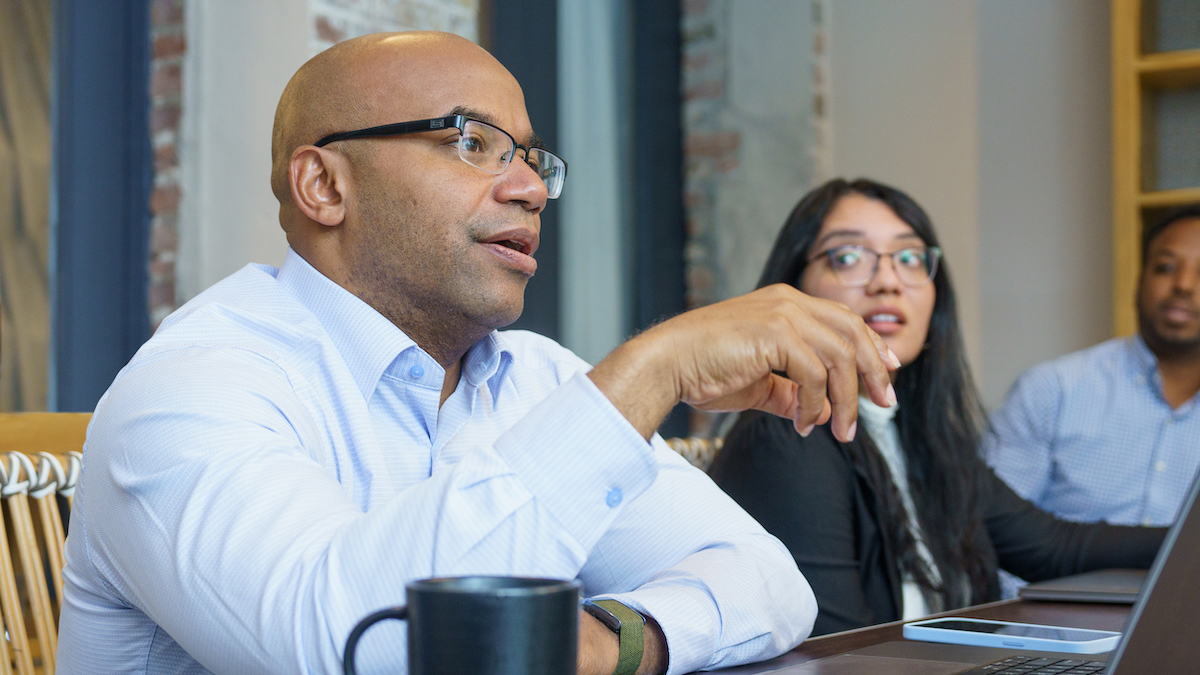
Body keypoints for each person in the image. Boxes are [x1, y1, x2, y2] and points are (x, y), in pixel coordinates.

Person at [56, 33, 903, 675]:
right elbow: (351, 643)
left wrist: (612, 641)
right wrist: (656, 369)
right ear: (325, 185)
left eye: (529, 157)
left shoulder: (530, 377)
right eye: (471, 141)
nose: (530, 186)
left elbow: (768, 582)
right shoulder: (192, 384)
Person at [708, 178, 1166, 637]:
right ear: (791, 290)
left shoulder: (917, 432)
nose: (887, 282)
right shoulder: (786, 433)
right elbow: (837, 654)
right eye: (847, 257)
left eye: (909, 258)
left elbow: (1056, 547)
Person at [986, 206, 1200, 528]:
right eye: (1165, 267)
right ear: (1139, 279)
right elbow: (991, 533)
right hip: (1056, 579)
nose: (1183, 284)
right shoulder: (1050, 389)